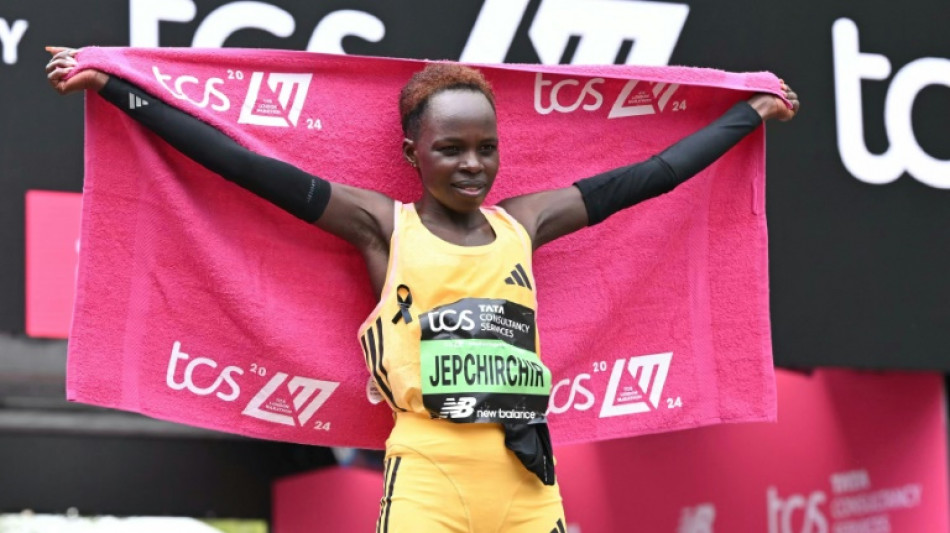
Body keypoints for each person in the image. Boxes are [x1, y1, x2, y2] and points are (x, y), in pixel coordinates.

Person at [47, 46, 799, 532]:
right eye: (451, 149)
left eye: (486, 149)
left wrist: (745, 114)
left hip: (526, 478)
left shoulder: (524, 223)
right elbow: (247, 168)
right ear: (412, 153)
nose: (473, 164)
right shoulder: (382, 226)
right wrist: (120, 90)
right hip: (428, 474)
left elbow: (650, 178)